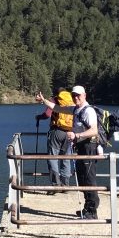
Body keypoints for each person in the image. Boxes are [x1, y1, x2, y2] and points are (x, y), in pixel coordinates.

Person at [36, 84, 100, 220]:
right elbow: (57, 108)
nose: (75, 97)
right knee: (82, 178)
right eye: (74, 95)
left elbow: (94, 131)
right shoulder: (75, 109)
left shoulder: (88, 111)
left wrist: (77, 136)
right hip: (81, 147)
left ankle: (92, 211)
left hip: (88, 147)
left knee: (89, 179)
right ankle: (87, 208)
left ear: (84, 96)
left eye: (78, 95)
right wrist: (43, 100)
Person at [34, 88, 76, 187]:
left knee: (52, 158)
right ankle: (66, 185)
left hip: (57, 132)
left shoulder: (55, 100)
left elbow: (47, 115)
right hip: (70, 133)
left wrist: (38, 117)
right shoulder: (71, 100)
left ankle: (56, 184)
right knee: (66, 158)